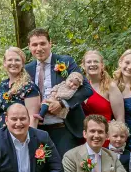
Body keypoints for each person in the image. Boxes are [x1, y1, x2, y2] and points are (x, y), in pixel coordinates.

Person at [24, 28, 91, 156]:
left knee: (65, 166)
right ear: (29, 47)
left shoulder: (65, 62)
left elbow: (87, 89)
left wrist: (62, 104)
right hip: (37, 129)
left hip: (63, 128)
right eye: (34, 45)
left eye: (42, 43)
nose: (39, 48)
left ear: (50, 43)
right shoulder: (27, 69)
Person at [0, 46, 42, 125]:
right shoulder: (3, 85)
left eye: (17, 60)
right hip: (2, 130)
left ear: (23, 63)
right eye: (10, 60)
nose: (13, 63)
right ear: (4, 63)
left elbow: (33, 119)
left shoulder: (29, 87)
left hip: (20, 130)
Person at [80, 51, 120, 123]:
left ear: (102, 65)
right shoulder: (80, 86)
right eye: (89, 62)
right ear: (83, 66)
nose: (92, 64)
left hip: (105, 129)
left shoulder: (111, 87)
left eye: (96, 61)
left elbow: (120, 119)